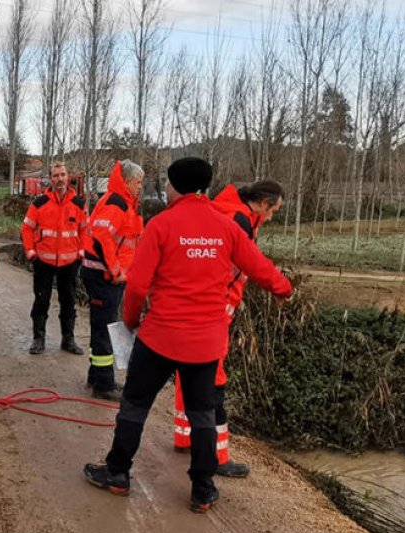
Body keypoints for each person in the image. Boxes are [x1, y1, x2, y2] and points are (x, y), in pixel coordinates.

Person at [82, 157, 293, 513]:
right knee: (203, 415)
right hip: (206, 344)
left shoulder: (161, 225)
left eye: (166, 184)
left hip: (161, 337)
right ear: (205, 187)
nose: (164, 189)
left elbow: (137, 287)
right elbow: (259, 266)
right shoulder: (226, 227)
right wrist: (285, 288)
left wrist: (131, 322)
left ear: (175, 186)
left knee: (134, 406)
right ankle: (202, 489)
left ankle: (117, 473)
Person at [171, 180, 285, 478]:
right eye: (274, 210)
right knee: (213, 383)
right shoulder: (238, 223)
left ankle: (184, 435)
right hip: (213, 311)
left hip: (194, 305)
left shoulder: (222, 212)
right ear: (262, 203)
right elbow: (255, 265)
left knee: (190, 371)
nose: (272, 217)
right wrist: (284, 288)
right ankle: (217, 457)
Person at [80, 160, 144, 401]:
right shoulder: (117, 203)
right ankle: (104, 383)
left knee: (102, 327)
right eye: (138, 182)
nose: (141, 186)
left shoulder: (124, 202)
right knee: (105, 329)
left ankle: (96, 376)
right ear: (127, 182)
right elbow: (102, 237)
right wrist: (116, 271)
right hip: (104, 276)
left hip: (107, 276)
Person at [21, 162, 87, 356]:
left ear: (68, 177)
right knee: (41, 300)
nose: (60, 179)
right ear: (51, 179)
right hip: (44, 261)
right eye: (56, 175)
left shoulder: (79, 204)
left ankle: (68, 339)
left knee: (69, 301)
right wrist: (31, 252)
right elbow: (26, 228)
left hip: (69, 262)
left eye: (63, 175)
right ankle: (38, 338)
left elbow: (85, 231)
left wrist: (81, 252)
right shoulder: (39, 203)